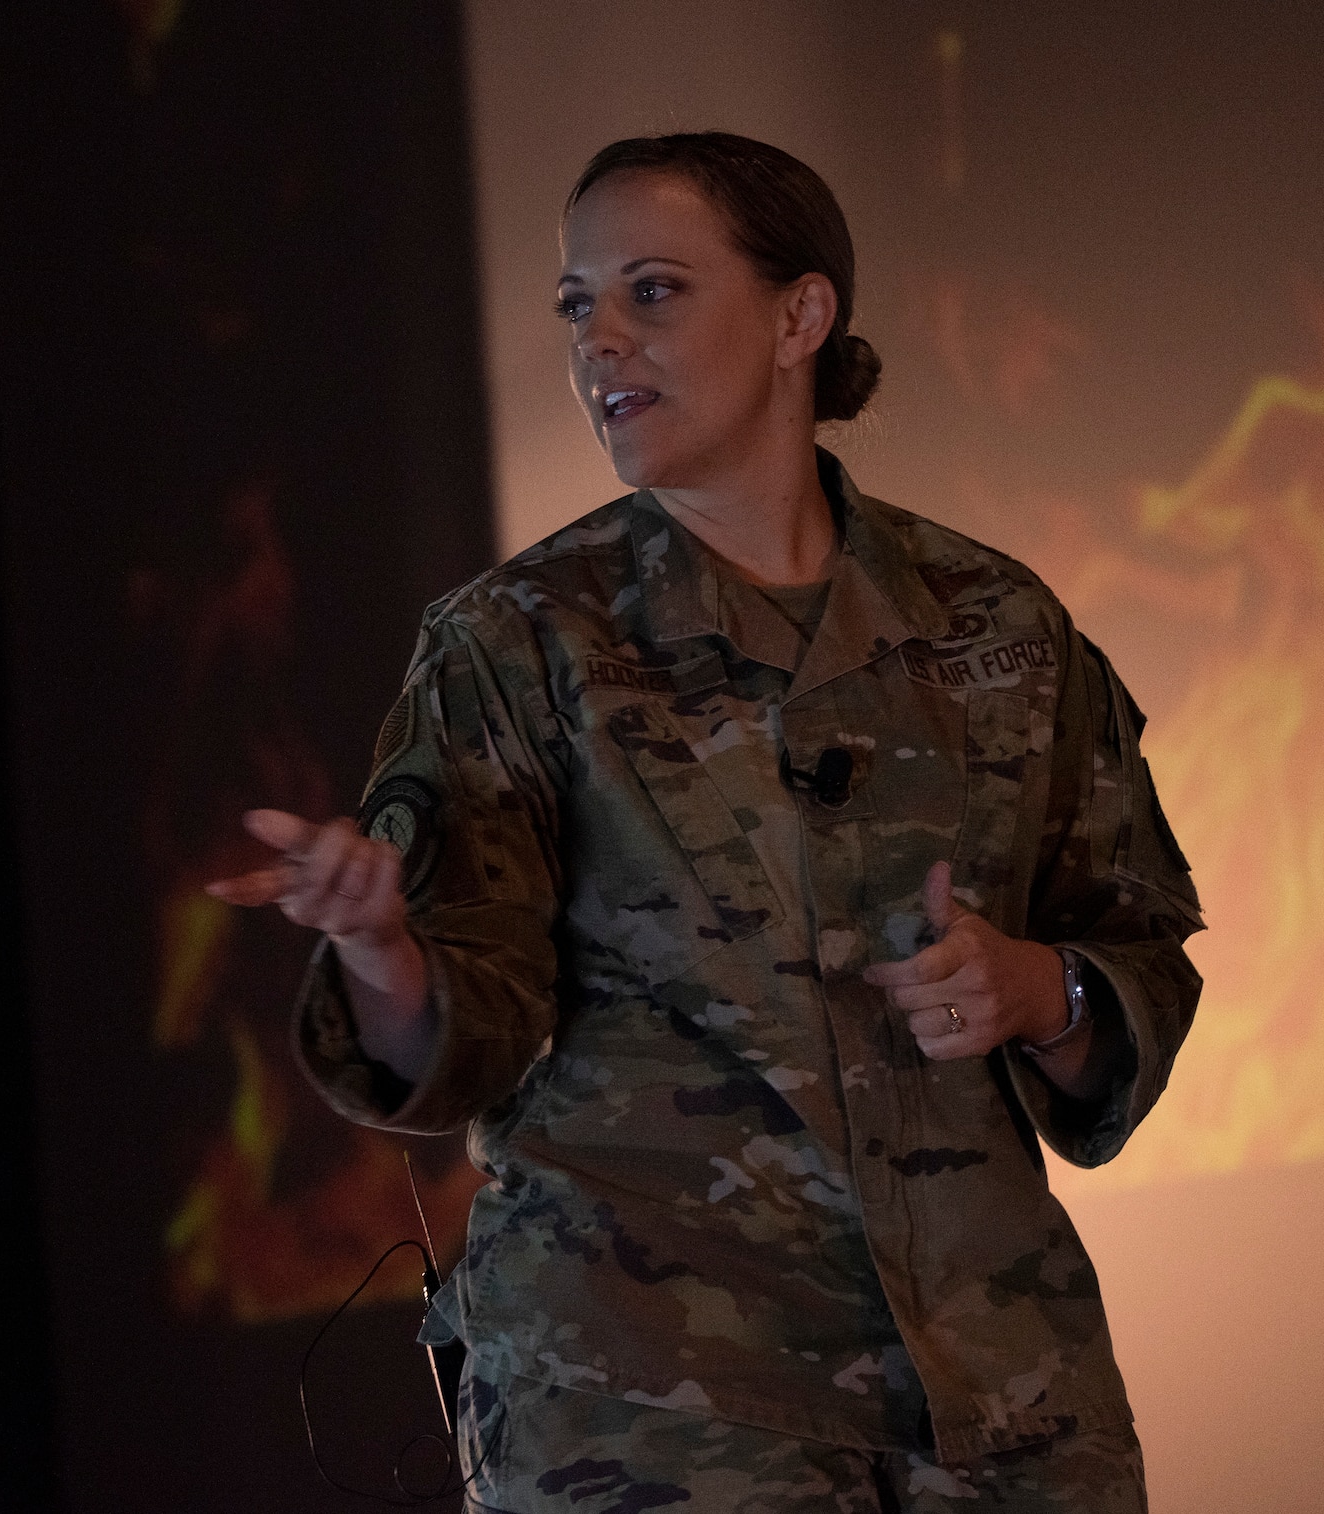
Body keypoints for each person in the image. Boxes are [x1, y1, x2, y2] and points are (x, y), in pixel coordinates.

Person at [208, 133, 1201, 1512]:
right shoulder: (518, 645)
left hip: (1003, 1397)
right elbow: (457, 1031)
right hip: (652, 1411)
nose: (600, 338)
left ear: (801, 316)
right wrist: (383, 944)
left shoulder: (999, 624)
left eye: (653, 291)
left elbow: (1137, 948)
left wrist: (1044, 988)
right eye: (575, 305)